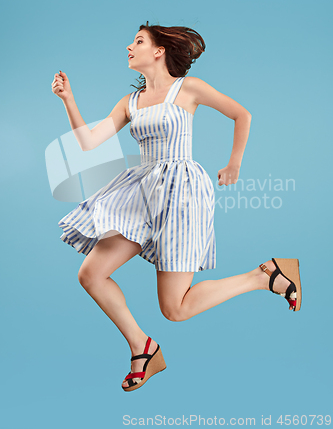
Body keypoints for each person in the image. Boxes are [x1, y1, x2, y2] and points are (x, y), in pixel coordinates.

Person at [51, 23, 302, 392]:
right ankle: (143, 348)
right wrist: (68, 100)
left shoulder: (189, 89)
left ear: (158, 51)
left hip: (181, 192)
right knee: (91, 274)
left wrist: (234, 163)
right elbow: (89, 142)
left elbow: (241, 114)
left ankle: (264, 276)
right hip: (140, 191)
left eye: (137, 41)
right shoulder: (129, 102)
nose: (128, 47)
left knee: (175, 309)